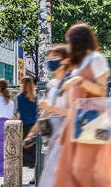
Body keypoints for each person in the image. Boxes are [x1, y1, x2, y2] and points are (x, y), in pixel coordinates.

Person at [54, 23, 111, 187]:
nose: (68, 46)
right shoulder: (81, 63)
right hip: (78, 122)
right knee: (73, 171)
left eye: (69, 41)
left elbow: (102, 91)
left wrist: (79, 80)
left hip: (92, 121)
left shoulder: (97, 59)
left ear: (78, 41)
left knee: (84, 170)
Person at [35, 44, 71, 187]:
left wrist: (50, 108)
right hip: (53, 138)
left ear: (65, 60)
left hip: (66, 136)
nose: (50, 61)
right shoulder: (53, 84)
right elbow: (48, 110)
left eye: (54, 57)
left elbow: (73, 111)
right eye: (49, 58)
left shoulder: (70, 82)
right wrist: (33, 131)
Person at [17, 76, 37, 179]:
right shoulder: (35, 97)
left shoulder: (20, 97)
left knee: (19, 152)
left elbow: (19, 113)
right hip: (34, 128)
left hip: (24, 127)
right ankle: (34, 177)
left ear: (23, 85)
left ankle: (16, 178)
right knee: (34, 152)